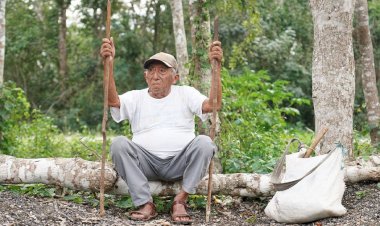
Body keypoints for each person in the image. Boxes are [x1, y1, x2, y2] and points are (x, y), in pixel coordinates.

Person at [100, 38, 223, 224]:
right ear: (145, 76)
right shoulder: (136, 97)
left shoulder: (186, 93)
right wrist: (108, 64)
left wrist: (216, 68)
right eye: (151, 70)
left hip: (180, 163)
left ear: (175, 78)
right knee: (119, 144)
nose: (155, 76)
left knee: (205, 143)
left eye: (162, 71)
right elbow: (112, 102)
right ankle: (145, 203)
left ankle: (181, 200)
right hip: (146, 164)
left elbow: (214, 105)